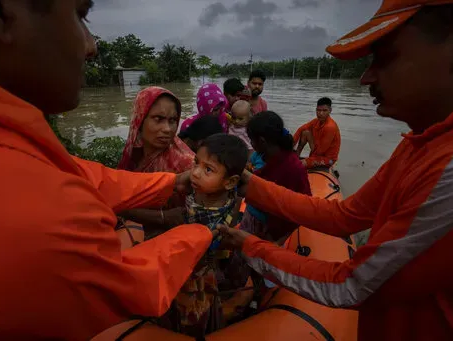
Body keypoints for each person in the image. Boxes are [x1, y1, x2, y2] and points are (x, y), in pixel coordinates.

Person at [218, 1, 453, 340]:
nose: (365, 78)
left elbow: (353, 285)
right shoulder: (422, 140)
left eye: (385, 57)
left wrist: (249, 245)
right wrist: (249, 184)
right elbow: (345, 216)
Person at [0, 1, 215, 340]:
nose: (91, 45)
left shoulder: (9, 146)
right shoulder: (48, 217)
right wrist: (203, 231)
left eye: (173, 120)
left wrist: (174, 182)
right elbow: (127, 284)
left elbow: (86, 175)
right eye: (80, 15)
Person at [159, 133, 248, 338]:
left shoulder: (215, 219)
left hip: (197, 275)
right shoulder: (204, 188)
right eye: (196, 163)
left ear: (230, 182)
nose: (196, 173)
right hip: (187, 263)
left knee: (193, 316)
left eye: (208, 169)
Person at [224, 111, 312, 289]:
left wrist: (279, 239)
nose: (251, 143)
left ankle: (253, 291)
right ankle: (239, 287)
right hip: (252, 216)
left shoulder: (293, 167)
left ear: (261, 141)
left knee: (260, 260)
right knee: (241, 257)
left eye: (251, 139)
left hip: (270, 226)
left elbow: (303, 207)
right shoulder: (263, 158)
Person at [116, 87, 195, 242]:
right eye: (158, 119)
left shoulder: (186, 163)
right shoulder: (134, 154)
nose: (167, 129)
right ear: (139, 120)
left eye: (172, 121)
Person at [294, 97, 341, 170]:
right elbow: (300, 129)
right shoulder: (316, 121)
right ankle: (296, 156)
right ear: (316, 110)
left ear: (330, 110)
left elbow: (320, 152)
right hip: (317, 151)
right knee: (305, 132)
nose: (321, 113)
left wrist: (307, 161)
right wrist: (289, 146)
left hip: (328, 159)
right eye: (318, 110)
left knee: (296, 165)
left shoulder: (330, 127)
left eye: (324, 110)